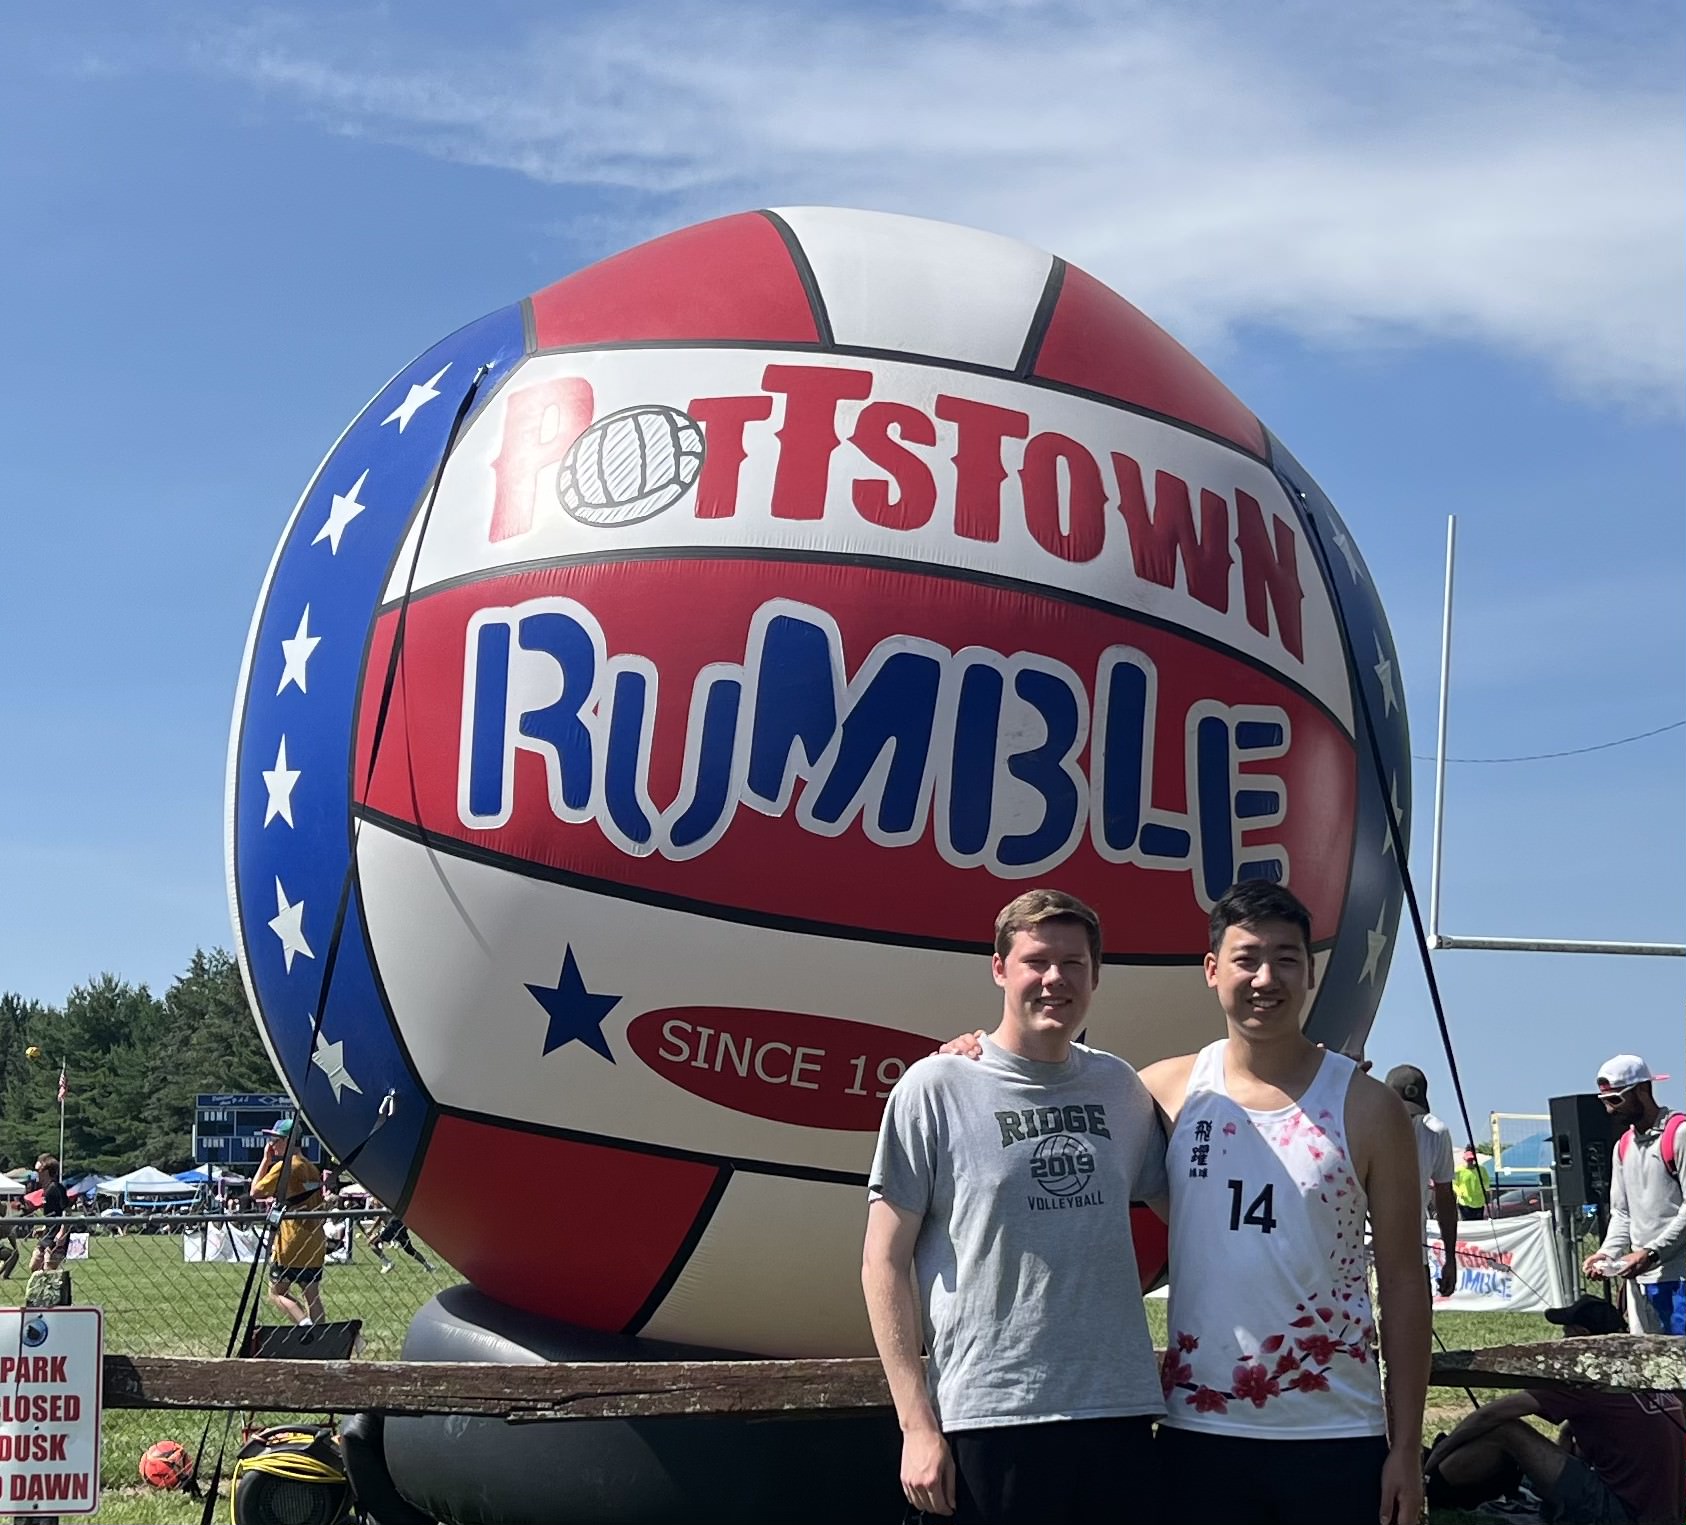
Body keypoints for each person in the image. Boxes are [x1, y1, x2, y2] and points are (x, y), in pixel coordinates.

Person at [862, 888, 1169, 1524]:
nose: (1055, 979)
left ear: (1095, 974)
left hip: (1117, 1410)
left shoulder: (1121, 1088)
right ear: (999, 968)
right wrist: (916, 1425)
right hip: (989, 1413)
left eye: (1074, 964)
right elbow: (882, 1262)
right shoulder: (936, 1087)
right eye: (1036, 961)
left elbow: (1188, 1210)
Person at [1139, 882, 1428, 1525]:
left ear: (1310, 971)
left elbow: (1406, 1281)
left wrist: (1405, 1449)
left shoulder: (1368, 1105)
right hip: (1199, 1427)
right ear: (1212, 970)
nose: (1265, 978)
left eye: (1286, 959)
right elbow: (1055, 1090)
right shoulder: (1165, 1090)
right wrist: (970, 1051)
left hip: (1335, 1431)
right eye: (1246, 958)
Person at [1423, 1293, 1686, 1524]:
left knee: (1507, 1430)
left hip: (1623, 1514)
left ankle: (1433, 1484)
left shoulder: (1587, 1377)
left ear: (1582, 1337)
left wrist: (1436, 1459)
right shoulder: (1645, 1368)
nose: (1558, 1343)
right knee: (1567, 1431)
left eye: (1565, 1335)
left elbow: (1492, 1413)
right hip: (1668, 1509)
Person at [1582, 1053, 1685, 1335]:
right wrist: (1607, 1253)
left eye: (1616, 1100)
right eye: (1605, 1101)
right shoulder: (1623, 1146)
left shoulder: (1679, 1134)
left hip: (1679, 1279)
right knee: (1647, 1369)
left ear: (1643, 1090)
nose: (1609, 1110)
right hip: (1640, 1281)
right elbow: (1622, 1213)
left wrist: (1649, 1254)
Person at [1384, 1064, 1460, 1297]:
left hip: (1413, 1255)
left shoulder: (1435, 1132)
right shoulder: (1362, 1124)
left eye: (1413, 1111)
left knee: (1416, 1331)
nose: (1408, 1116)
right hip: (1363, 1256)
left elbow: (1445, 1196)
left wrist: (1450, 1258)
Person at [249, 1119, 327, 1327]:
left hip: (291, 1239)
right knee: (312, 1295)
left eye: (275, 1139)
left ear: (288, 1141)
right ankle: (321, 1334)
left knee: (275, 1292)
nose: (271, 1144)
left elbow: (255, 1192)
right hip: (315, 1239)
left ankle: (304, 1325)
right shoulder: (310, 1167)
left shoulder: (284, 1167)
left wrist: (265, 1161)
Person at [29, 1157, 71, 1273]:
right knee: (34, 1266)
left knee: (49, 1270)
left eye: (38, 1171)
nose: (36, 1174)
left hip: (56, 1236)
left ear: (46, 1172)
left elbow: (66, 1211)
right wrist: (43, 1229)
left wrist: (62, 1233)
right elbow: (53, 1214)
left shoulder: (57, 1188)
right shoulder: (46, 1190)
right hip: (47, 1234)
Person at [1452, 1147, 1490, 1221]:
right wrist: (1459, 1192)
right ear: (1464, 1159)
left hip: (1479, 1203)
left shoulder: (1481, 1170)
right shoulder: (1458, 1171)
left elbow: (1487, 1183)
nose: (1470, 1162)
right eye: (1468, 1160)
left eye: (1472, 1160)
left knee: (1479, 1224)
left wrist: (1480, 1188)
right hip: (1465, 1203)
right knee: (1467, 1224)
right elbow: (1453, 1183)